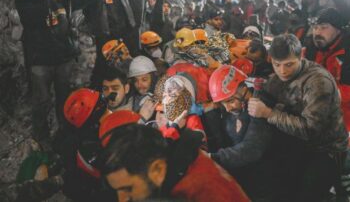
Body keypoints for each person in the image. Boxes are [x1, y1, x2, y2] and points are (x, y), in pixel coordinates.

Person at [14, 0, 112, 149]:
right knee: (41, 102)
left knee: (65, 99)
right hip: (40, 61)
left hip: (63, 59)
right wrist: (49, 1)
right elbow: (29, 17)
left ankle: (64, 136)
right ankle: (41, 139)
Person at [248, 34, 348, 202]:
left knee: (303, 196)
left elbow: (310, 130)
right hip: (297, 143)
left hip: (327, 149)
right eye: (276, 64)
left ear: (301, 55)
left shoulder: (318, 82)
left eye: (289, 64)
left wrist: (269, 113)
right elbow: (267, 91)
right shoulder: (276, 78)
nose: (282, 71)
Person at [99, 123, 250, 202]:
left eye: (128, 189)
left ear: (157, 169)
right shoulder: (181, 163)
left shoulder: (200, 189)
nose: (122, 200)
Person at [208, 65, 274, 200]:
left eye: (230, 101)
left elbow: (251, 148)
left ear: (244, 90)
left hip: (266, 179)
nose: (227, 108)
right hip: (245, 175)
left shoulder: (260, 107)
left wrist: (212, 157)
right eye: (222, 104)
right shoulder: (233, 109)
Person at [304, 8, 350, 131]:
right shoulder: (310, 50)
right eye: (315, 28)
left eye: (324, 27)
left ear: (338, 30)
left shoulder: (347, 53)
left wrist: (324, 91)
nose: (317, 33)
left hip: (343, 124)